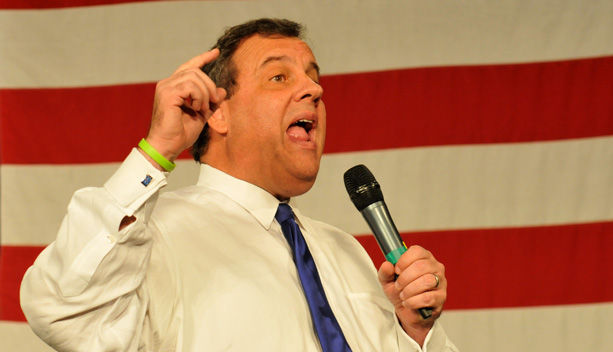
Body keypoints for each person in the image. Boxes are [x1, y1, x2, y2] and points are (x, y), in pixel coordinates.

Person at [21, 18, 458, 351]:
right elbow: (62, 309)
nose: (313, 90)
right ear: (217, 111)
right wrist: (157, 151)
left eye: (314, 77)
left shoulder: (345, 250)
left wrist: (412, 333)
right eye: (279, 77)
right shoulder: (150, 235)